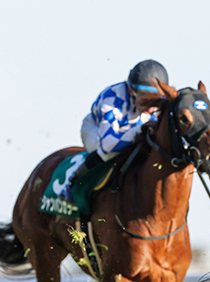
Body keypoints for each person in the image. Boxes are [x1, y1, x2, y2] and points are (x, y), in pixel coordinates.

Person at [62, 59, 168, 201]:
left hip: (128, 131)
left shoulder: (156, 105)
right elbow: (108, 145)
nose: (152, 107)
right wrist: (139, 130)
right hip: (96, 130)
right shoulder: (112, 97)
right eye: (146, 99)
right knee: (109, 153)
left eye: (157, 99)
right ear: (131, 91)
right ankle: (73, 184)